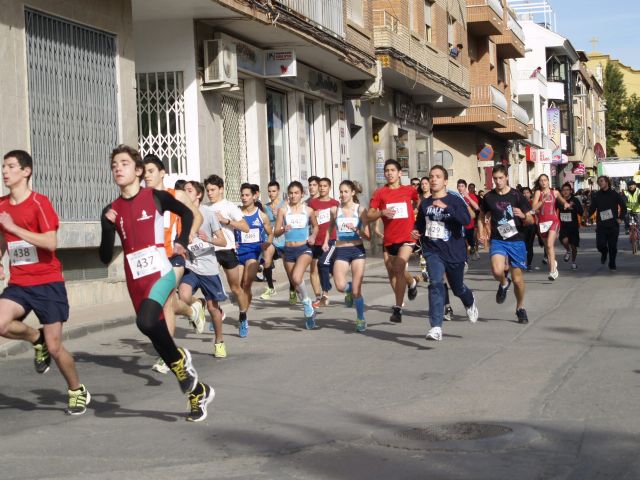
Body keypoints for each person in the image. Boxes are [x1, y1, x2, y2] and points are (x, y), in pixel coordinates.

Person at [100, 145, 213, 422]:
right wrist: (106, 227)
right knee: (157, 335)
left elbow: (187, 214)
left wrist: (181, 241)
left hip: (160, 272)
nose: (118, 168)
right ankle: (197, 391)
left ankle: (182, 361)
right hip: (135, 281)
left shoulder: (155, 196)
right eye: (114, 164)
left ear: (137, 171)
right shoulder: (111, 209)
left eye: (124, 163)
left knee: (147, 322)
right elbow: (104, 257)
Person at [0, 150, 89, 415]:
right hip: (20, 282)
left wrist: (15, 228)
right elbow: (3, 238)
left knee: (55, 347)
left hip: (48, 282)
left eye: (11, 166)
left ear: (26, 171)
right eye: (3, 167)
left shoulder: (40, 203)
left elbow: (50, 242)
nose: (5, 171)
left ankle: (76, 389)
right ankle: (34, 337)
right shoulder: (2, 205)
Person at [143, 155, 205, 374]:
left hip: (175, 256)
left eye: (150, 171)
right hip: (153, 259)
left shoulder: (176, 195)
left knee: (166, 304)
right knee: (170, 302)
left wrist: (186, 236)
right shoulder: (143, 198)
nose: (146, 175)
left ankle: (166, 356)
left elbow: (196, 216)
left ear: (162, 173)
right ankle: (191, 310)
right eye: (143, 172)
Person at [412, 166, 478, 341]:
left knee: (457, 288)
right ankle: (435, 326)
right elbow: (420, 223)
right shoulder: (425, 203)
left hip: (454, 251)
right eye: (431, 176)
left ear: (445, 181)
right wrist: (416, 231)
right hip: (433, 250)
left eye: (438, 177)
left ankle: (469, 301)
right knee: (435, 283)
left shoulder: (454, 200)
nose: (433, 179)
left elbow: (466, 220)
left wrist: (446, 208)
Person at [478, 165, 534, 324]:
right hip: (498, 239)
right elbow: (482, 214)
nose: (498, 181)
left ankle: (520, 308)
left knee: (517, 280)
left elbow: (530, 220)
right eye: (495, 179)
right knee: (497, 270)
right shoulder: (489, 197)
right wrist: (481, 231)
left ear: (507, 177)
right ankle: (503, 282)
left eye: (500, 178)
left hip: (516, 240)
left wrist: (523, 215)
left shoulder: (517, 196)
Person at [178, 181, 228, 357]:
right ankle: (198, 303)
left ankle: (219, 341)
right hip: (191, 267)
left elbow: (223, 241)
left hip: (208, 269)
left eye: (189, 190)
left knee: (214, 309)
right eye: (183, 190)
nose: (185, 193)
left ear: (198, 195)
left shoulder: (208, 214)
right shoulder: (180, 214)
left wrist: (207, 239)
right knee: (183, 296)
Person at [368, 159, 420, 324]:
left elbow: (419, 201)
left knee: (398, 267)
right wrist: (382, 212)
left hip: (408, 236)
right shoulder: (380, 193)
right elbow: (370, 215)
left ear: (400, 173)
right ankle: (411, 282)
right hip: (390, 238)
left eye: (392, 170)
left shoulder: (409, 190)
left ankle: (398, 308)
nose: (389, 173)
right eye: (387, 170)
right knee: (392, 270)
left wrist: (417, 214)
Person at [203, 175, 251, 335]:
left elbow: (245, 227)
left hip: (227, 250)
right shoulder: (204, 208)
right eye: (207, 190)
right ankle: (218, 313)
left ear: (221, 189)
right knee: (211, 287)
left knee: (236, 288)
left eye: (213, 190)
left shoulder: (230, 206)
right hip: (210, 252)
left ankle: (243, 317)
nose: (209, 193)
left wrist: (226, 221)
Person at [324, 180, 370, 332]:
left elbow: (368, 236)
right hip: (341, 250)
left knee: (358, 290)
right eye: (341, 191)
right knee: (340, 286)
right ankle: (348, 290)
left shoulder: (361, 210)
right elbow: (330, 227)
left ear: (352, 193)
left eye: (345, 192)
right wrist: (326, 242)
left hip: (357, 250)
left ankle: (360, 318)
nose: (342, 195)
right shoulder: (335, 210)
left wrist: (357, 230)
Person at [274, 181, 319, 328]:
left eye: (296, 193)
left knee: (296, 277)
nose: (293, 196)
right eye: (291, 193)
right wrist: (283, 229)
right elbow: (276, 232)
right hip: (288, 250)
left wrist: (312, 237)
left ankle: (306, 301)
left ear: (301, 194)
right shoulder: (283, 210)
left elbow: (316, 226)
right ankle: (309, 313)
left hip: (304, 249)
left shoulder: (308, 210)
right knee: (296, 283)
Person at [234, 183, 273, 337]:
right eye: (242, 195)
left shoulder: (261, 215)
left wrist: (267, 243)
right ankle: (243, 311)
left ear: (254, 196)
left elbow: (270, 233)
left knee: (246, 283)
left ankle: (243, 316)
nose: (244, 198)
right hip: (238, 254)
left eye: (247, 195)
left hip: (253, 254)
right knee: (237, 287)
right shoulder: (237, 214)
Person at [531, 174, 571, 281]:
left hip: (554, 221)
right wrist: (542, 201)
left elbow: (562, 200)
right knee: (548, 248)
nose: (543, 182)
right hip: (542, 223)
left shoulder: (555, 192)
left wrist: (566, 204)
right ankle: (553, 264)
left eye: (545, 180)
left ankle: (552, 271)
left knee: (549, 244)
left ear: (549, 181)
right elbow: (533, 208)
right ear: (539, 183)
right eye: (541, 180)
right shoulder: (538, 193)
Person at [260, 181, 295, 301]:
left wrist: (279, 215)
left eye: (274, 191)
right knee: (266, 258)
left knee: (288, 267)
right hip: (272, 238)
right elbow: (265, 222)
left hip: (284, 238)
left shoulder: (285, 204)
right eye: (269, 191)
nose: (271, 193)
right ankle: (270, 288)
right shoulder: (265, 206)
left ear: (278, 191)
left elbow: (290, 220)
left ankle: (292, 289)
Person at [308, 178, 340, 308]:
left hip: (331, 240)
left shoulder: (335, 203)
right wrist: (313, 214)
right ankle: (321, 294)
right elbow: (308, 219)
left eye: (324, 186)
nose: (322, 188)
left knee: (323, 264)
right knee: (319, 269)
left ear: (329, 187)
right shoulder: (312, 203)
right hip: (316, 241)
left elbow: (340, 218)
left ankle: (325, 293)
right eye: (320, 186)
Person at [588, 176, 627, 270]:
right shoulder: (597, 195)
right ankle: (604, 252)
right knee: (600, 245)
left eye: (601, 181)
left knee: (612, 246)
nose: (600, 183)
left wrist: (620, 218)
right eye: (598, 182)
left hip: (613, 225)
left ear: (607, 182)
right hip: (601, 225)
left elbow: (623, 207)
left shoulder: (614, 194)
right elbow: (592, 208)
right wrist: (587, 215)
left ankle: (612, 263)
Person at [558, 183, 583, 270]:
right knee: (564, 241)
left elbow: (581, 212)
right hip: (563, 225)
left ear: (570, 191)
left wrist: (574, 207)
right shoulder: (559, 200)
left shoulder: (575, 200)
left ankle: (573, 262)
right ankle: (567, 251)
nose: (565, 192)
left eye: (567, 190)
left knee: (574, 247)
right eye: (563, 190)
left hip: (573, 226)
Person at [457, 179, 480, 261]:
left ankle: (473, 249)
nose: (460, 188)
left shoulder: (471, 196)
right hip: (459, 224)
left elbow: (477, 207)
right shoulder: (455, 197)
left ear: (465, 187)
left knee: (471, 242)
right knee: (461, 242)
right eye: (459, 186)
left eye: (462, 186)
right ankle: (464, 257)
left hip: (469, 224)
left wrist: (467, 197)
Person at [520, 187, 537, 271]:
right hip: (521, 227)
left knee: (529, 246)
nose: (525, 194)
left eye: (527, 192)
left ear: (530, 194)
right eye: (523, 193)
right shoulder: (519, 203)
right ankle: (521, 262)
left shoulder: (533, 202)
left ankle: (529, 264)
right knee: (522, 245)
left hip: (531, 226)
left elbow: (537, 211)